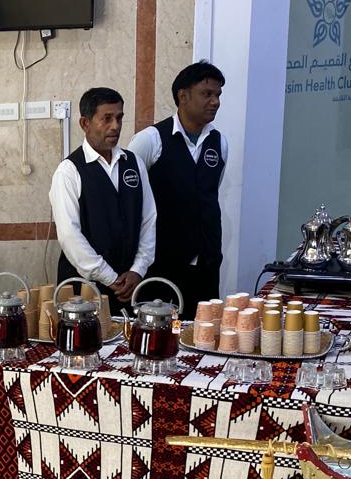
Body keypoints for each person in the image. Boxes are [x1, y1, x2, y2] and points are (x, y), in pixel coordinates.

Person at [128, 61, 228, 320]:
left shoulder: (219, 142)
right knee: (164, 330)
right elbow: (130, 198)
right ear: (183, 96)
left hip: (206, 264)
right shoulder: (150, 140)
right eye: (207, 94)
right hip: (163, 263)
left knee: (203, 331)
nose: (215, 102)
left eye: (218, 95)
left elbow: (208, 192)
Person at [49, 87, 156, 313]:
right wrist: (109, 277)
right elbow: (69, 236)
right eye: (106, 118)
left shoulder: (134, 163)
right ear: (85, 123)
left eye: (119, 118)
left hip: (131, 284)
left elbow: (148, 219)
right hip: (85, 290)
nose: (115, 126)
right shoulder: (69, 171)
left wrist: (138, 269)